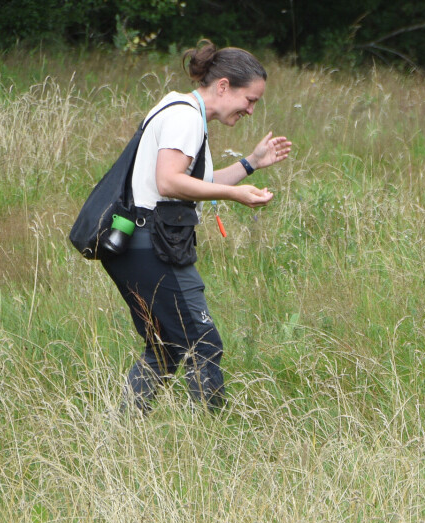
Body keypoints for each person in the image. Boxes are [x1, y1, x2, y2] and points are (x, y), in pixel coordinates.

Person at [101, 39, 292, 413]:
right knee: (203, 345)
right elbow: (169, 182)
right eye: (250, 100)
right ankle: (215, 442)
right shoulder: (186, 117)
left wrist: (251, 163)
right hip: (154, 245)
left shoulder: (178, 108)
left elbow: (196, 180)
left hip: (134, 245)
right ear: (223, 86)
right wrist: (235, 196)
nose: (251, 110)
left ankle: (120, 433)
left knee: (166, 347)